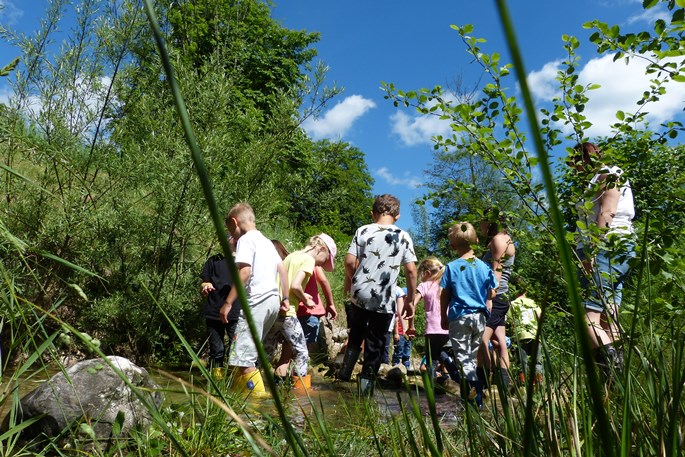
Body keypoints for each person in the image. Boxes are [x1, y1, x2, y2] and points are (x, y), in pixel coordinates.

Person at [338, 194, 418, 396]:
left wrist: (357, 278)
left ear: (373, 213)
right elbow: (411, 270)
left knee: (356, 331)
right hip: (384, 297)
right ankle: (365, 391)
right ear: (397, 215)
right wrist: (409, 301)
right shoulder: (403, 236)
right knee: (375, 342)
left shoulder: (363, 230)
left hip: (360, 293)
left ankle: (345, 373)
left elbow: (348, 261)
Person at [569, 142, 636, 377]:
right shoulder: (600, 177)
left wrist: (591, 253)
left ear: (583, 159)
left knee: (587, 317)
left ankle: (614, 375)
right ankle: (618, 388)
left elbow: (607, 212)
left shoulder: (608, 174)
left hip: (606, 247)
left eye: (574, 164)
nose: (573, 170)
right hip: (618, 248)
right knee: (610, 317)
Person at [219, 203, 289, 396]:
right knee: (241, 356)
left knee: (243, 359)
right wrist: (285, 298)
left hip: (256, 302)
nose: (231, 234)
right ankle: (233, 395)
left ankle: (258, 404)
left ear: (234, 222)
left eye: (230, 229)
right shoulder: (267, 242)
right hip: (272, 302)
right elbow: (282, 270)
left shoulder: (246, 240)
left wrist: (227, 302)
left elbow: (245, 273)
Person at [265, 234, 337, 390]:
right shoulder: (309, 260)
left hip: (274, 309)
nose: (322, 264)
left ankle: (256, 383)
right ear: (321, 249)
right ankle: (301, 392)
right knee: (302, 351)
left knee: (267, 349)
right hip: (288, 312)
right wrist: (306, 299)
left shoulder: (292, 256)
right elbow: (296, 286)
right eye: (325, 260)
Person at [440, 221, 497, 408]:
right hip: (480, 317)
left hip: (459, 317)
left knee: (463, 359)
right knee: (471, 358)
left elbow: (445, 294)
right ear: (477, 241)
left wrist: (443, 316)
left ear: (452, 245)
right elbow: (493, 292)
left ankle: (473, 397)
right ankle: (475, 400)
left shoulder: (451, 267)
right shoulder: (484, 267)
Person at [479, 207, 516, 389]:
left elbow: (496, 271)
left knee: (481, 338)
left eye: (482, 221)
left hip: (496, 296)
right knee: (500, 340)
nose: (480, 225)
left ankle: (483, 380)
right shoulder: (504, 238)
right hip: (502, 296)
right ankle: (504, 383)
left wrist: (489, 298)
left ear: (490, 221)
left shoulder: (498, 240)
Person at [412, 257, 461, 385]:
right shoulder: (447, 286)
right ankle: (460, 381)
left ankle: (431, 388)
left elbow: (413, 303)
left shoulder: (425, 285)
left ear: (427, 273)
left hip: (432, 330)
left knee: (431, 360)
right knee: (443, 355)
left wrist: (410, 323)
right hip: (447, 328)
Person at [199, 237, 239, 378]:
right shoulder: (214, 260)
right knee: (217, 350)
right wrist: (206, 286)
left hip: (236, 312)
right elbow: (205, 282)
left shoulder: (243, 262)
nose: (230, 237)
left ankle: (233, 382)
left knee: (235, 350)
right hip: (214, 310)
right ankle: (216, 383)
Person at [297, 264, 338, 360]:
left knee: (294, 345)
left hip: (294, 309)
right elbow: (323, 281)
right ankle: (306, 369)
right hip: (311, 309)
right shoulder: (312, 262)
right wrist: (330, 303)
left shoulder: (292, 259)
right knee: (308, 347)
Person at [508, 278, 543, 384]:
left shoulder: (513, 304)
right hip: (534, 335)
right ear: (526, 290)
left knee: (522, 361)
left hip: (520, 336)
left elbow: (509, 321)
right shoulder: (533, 303)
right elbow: (540, 317)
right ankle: (538, 383)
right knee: (537, 361)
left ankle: (522, 383)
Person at [390, 286, 411, 368]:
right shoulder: (398, 309)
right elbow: (396, 321)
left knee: (407, 352)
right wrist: (396, 333)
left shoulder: (409, 309)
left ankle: (406, 366)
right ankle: (396, 365)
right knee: (399, 350)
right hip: (400, 333)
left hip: (407, 334)